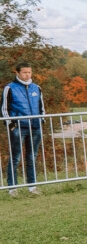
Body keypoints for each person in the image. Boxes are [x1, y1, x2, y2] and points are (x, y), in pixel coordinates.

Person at [3, 62, 45, 196]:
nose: (27, 75)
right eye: (25, 72)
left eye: (29, 72)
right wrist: (11, 125)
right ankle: (12, 188)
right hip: (18, 128)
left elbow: (41, 107)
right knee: (15, 158)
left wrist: (41, 120)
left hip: (35, 128)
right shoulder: (10, 88)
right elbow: (4, 109)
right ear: (18, 73)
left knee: (32, 157)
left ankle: (32, 187)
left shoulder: (36, 88)